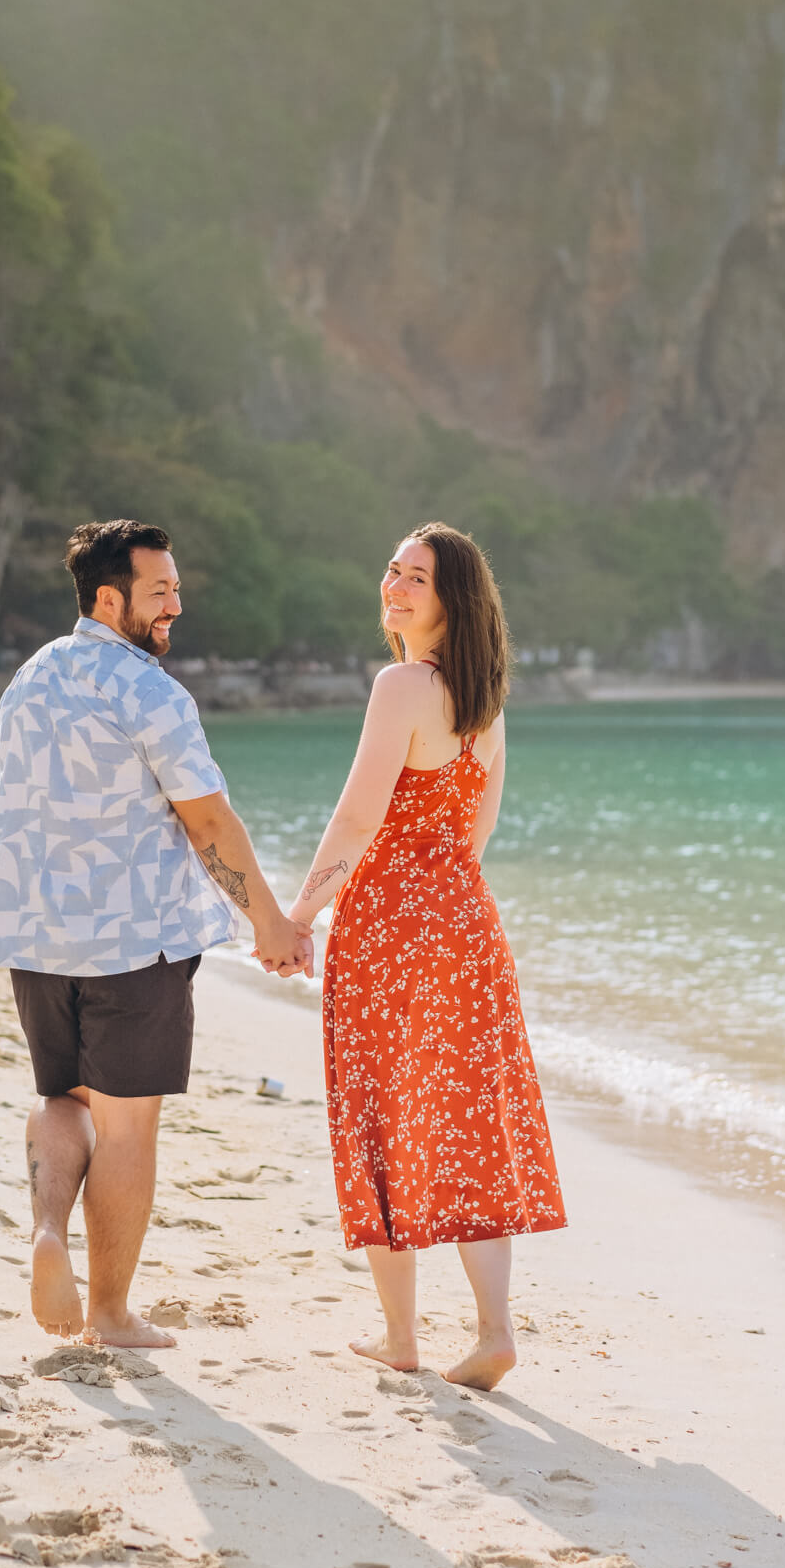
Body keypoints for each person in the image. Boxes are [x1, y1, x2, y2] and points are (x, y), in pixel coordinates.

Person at [0, 518, 312, 1348]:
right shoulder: (150, 692)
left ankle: (47, 1235)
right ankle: (107, 1314)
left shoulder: (26, 680)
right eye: (160, 590)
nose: (177, 603)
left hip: (37, 940)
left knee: (62, 1100)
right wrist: (269, 923)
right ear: (110, 597)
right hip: (136, 947)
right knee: (129, 1126)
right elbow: (207, 820)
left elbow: (1, 812)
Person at [286, 521, 565, 1390]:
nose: (395, 587)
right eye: (393, 571)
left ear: (450, 602)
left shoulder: (401, 683)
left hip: (388, 927)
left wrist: (298, 915)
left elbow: (359, 816)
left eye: (417, 579)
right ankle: (491, 1330)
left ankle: (400, 1332)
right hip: (466, 926)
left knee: (377, 1110)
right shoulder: (484, 703)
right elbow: (475, 833)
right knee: (470, 1119)